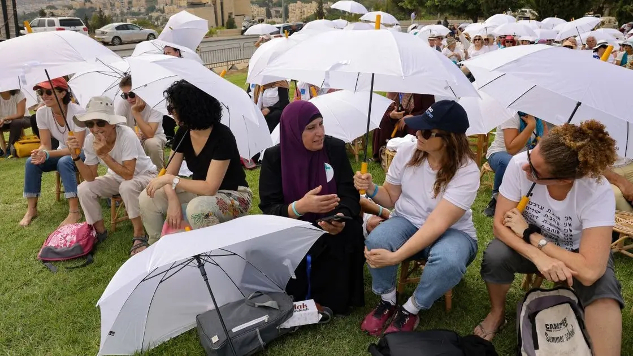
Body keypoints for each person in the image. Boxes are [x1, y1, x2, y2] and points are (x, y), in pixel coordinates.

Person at [475, 121, 623, 356]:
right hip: (531, 247)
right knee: (496, 254)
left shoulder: (597, 191)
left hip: (576, 252)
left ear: (565, 180)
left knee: (602, 287)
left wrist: (533, 237)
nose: (525, 168)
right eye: (531, 155)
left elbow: (590, 270)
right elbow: (500, 226)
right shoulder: (519, 164)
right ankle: (497, 313)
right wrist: (538, 256)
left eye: (535, 172)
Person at [355, 101, 480, 334]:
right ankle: (388, 300)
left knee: (449, 260)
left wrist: (396, 257)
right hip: (407, 220)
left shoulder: (467, 171)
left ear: (449, 139)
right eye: (417, 128)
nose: (416, 134)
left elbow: (437, 224)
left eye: (424, 131)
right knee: (376, 241)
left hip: (453, 231)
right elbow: (391, 197)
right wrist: (371, 188)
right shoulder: (408, 151)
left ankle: (411, 308)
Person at [259, 101, 365, 315]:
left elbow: (349, 194)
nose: (320, 133)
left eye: (321, 125)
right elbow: (269, 208)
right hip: (293, 228)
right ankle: (302, 295)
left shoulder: (334, 149)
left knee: (351, 231)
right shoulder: (274, 158)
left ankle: (337, 297)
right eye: (310, 128)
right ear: (293, 130)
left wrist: (340, 216)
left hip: (332, 227)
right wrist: (299, 207)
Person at [139, 80, 252, 249]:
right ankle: (157, 247)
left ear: (189, 109)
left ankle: (216, 250)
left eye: (173, 109)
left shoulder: (222, 136)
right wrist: (172, 200)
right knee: (149, 196)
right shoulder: (184, 133)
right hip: (199, 191)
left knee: (197, 209)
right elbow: (170, 173)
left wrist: (172, 180)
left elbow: (210, 188)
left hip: (233, 195)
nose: (170, 114)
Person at [69, 97, 157, 255]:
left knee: (127, 185)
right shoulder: (90, 140)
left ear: (112, 123)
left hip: (145, 175)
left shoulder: (126, 134)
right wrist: (75, 157)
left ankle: (139, 234)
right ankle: (99, 231)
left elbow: (129, 174)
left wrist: (104, 155)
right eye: (90, 124)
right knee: (84, 188)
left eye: (100, 123)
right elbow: (90, 177)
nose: (95, 129)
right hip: (117, 177)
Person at [21, 77, 86, 227]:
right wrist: (39, 152)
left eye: (49, 92)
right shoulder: (42, 113)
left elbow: (76, 149)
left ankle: (74, 211)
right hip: (62, 151)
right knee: (31, 162)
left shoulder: (78, 112)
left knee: (65, 161)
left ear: (63, 93)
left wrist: (48, 154)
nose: (44, 96)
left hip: (83, 153)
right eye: (41, 92)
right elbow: (45, 144)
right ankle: (31, 210)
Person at [483, 112, 548, 217]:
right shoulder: (511, 115)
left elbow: (543, 145)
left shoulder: (538, 118)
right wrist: (530, 126)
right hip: (500, 154)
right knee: (510, 162)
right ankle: (496, 199)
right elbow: (511, 149)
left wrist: (542, 126)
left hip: (526, 156)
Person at [115, 75, 166, 170]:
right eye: (125, 95)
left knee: (152, 143)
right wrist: (131, 135)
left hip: (155, 136)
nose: (129, 99)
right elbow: (117, 126)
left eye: (131, 94)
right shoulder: (124, 103)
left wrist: (135, 112)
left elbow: (150, 134)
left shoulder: (154, 103)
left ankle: (159, 174)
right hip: (132, 137)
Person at [0, 90, 30, 157]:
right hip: (4, 122)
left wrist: (4, 118)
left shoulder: (18, 94)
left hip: (23, 119)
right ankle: (1, 151)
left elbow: (20, 114)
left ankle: (10, 148)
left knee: (15, 122)